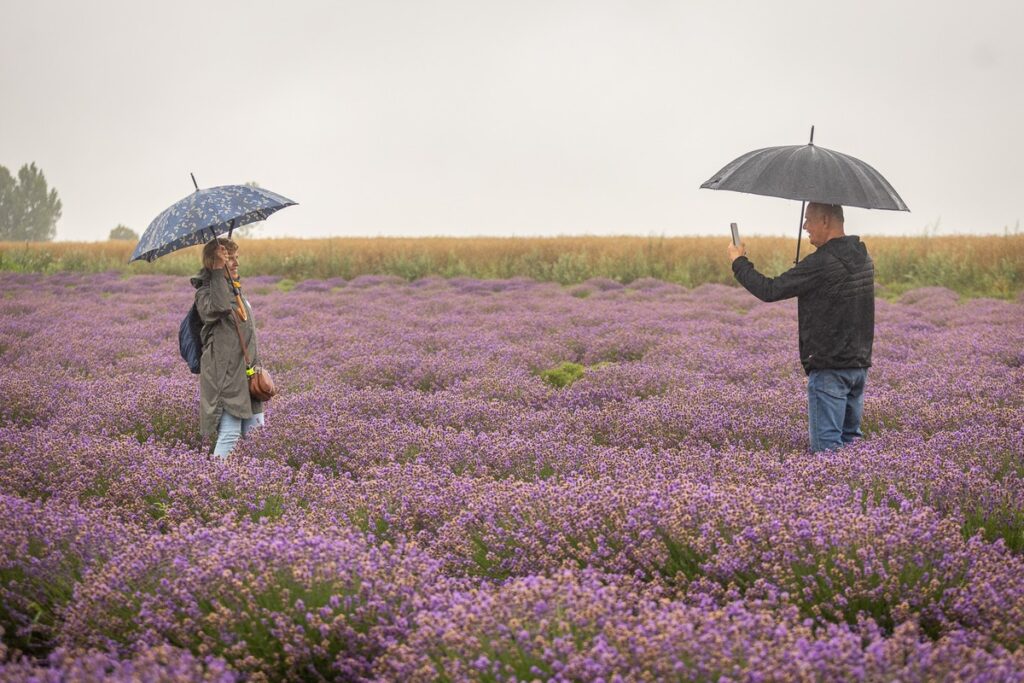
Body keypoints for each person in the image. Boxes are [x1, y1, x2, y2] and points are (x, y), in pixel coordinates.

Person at [728, 203, 874, 452]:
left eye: (809, 220)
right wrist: (805, 273)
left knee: (827, 451)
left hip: (829, 368)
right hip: (858, 367)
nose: (805, 226)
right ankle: (855, 491)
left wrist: (739, 261)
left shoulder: (821, 262)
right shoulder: (862, 257)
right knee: (853, 450)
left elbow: (770, 290)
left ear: (826, 221)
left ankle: (831, 490)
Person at [192, 237, 265, 458]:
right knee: (230, 434)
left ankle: (252, 485)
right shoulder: (205, 294)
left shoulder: (236, 290)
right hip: (225, 377)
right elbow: (220, 307)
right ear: (213, 262)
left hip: (247, 374)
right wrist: (216, 270)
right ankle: (213, 483)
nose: (235, 263)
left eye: (236, 258)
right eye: (228, 259)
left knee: (257, 436)